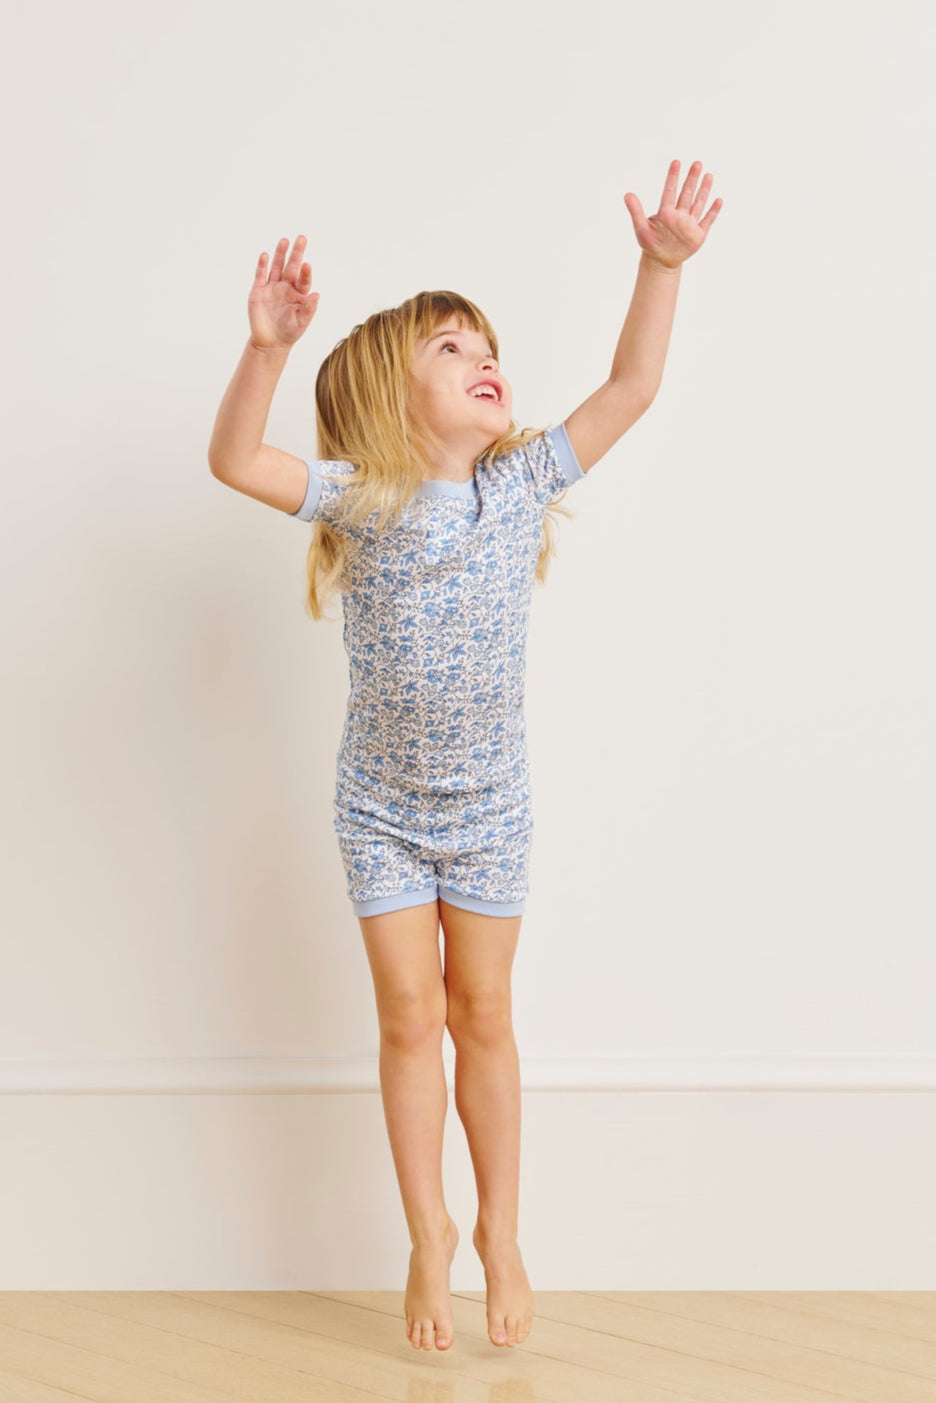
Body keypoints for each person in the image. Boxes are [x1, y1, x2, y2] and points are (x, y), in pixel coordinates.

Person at [208, 157, 723, 1354]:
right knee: (408, 1016)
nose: (483, 356)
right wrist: (267, 350)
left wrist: (659, 267)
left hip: (490, 808)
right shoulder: (360, 497)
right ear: (391, 396)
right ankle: (427, 1228)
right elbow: (235, 460)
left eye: (486, 344)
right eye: (450, 347)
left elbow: (634, 384)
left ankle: (500, 1224)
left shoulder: (523, 481)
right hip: (380, 808)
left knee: (483, 1011)